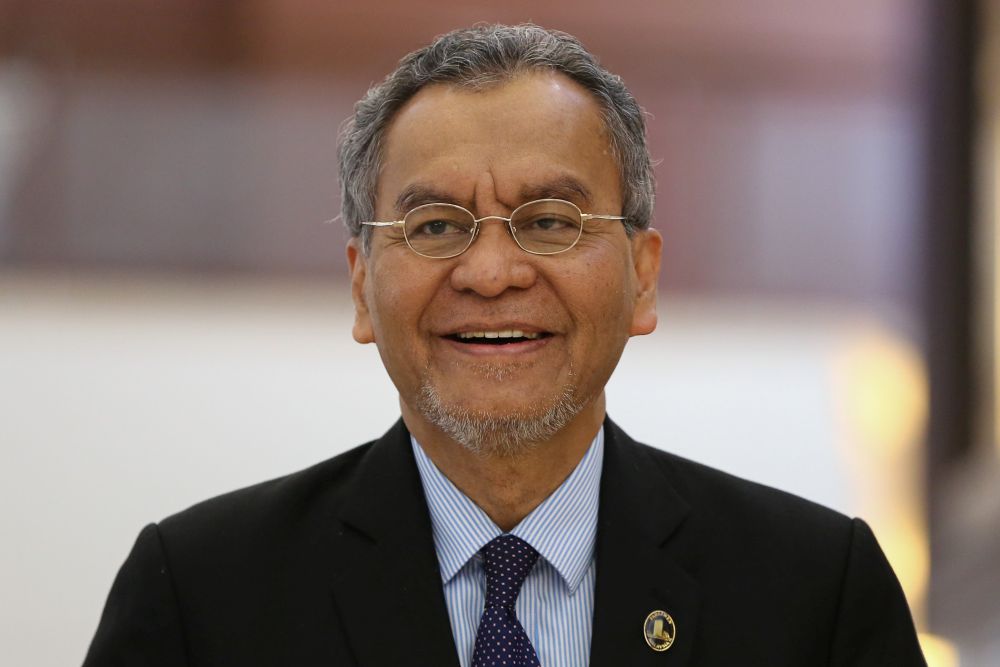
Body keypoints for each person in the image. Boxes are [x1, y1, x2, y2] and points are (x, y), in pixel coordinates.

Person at [83, 24, 927, 667]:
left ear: (642, 276)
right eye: (437, 224)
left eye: (551, 222)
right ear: (360, 285)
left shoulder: (816, 593)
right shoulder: (200, 595)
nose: (490, 272)